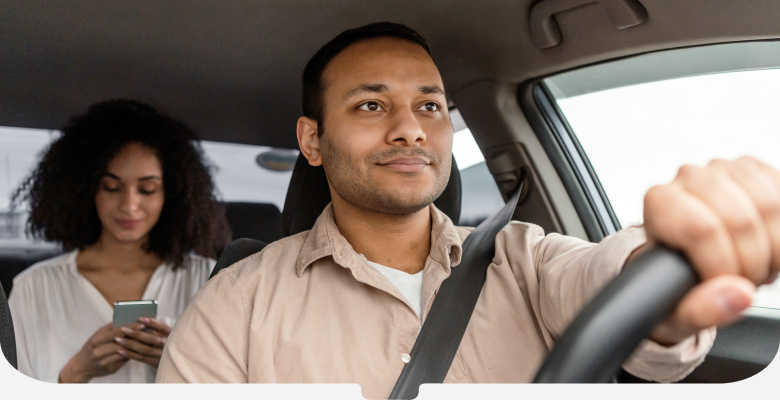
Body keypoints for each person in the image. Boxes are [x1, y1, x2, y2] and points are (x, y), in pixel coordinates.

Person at [156, 23, 779, 397]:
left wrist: (663, 266)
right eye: (372, 106)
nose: (410, 129)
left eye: (429, 106)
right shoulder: (233, 306)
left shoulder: (525, 259)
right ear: (312, 140)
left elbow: (601, 277)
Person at [9, 99, 231, 383]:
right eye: (112, 187)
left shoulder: (209, 280)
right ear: (87, 190)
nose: (129, 205)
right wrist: (74, 373)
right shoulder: (33, 289)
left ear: (171, 194)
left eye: (147, 189)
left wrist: (181, 362)